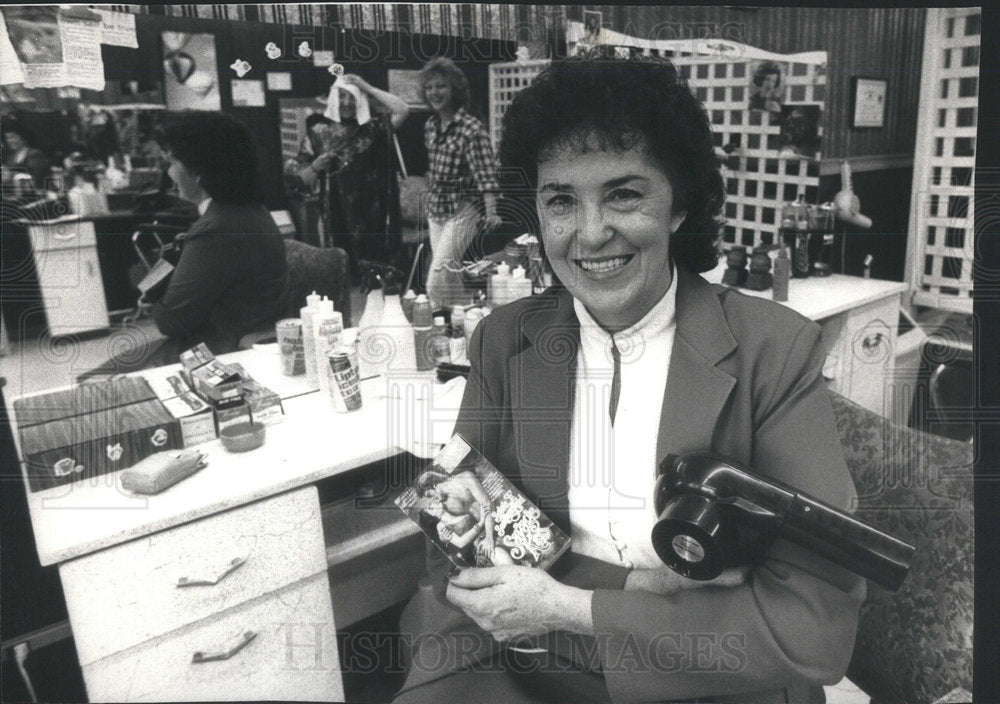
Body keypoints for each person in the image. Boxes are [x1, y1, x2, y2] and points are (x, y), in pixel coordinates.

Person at [394, 56, 864, 704]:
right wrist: (648, 588)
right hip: (532, 675)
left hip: (710, 686)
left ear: (678, 205)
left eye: (624, 194)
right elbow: (459, 546)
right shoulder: (504, 341)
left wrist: (570, 605)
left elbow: (811, 631)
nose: (590, 234)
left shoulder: (773, 353)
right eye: (561, 200)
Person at [147, 111, 289, 355]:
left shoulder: (215, 230)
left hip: (219, 351)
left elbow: (169, 321)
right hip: (238, 338)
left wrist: (151, 287)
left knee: (97, 383)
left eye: (172, 162)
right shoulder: (250, 211)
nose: (169, 173)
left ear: (199, 172)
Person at [300, 73, 409, 278]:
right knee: (342, 274)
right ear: (333, 98)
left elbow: (402, 109)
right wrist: (315, 166)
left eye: (352, 97)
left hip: (372, 217)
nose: (347, 103)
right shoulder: (318, 131)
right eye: (342, 96)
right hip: (336, 216)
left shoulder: (373, 128)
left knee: (374, 277)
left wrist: (366, 86)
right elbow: (301, 176)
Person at [420, 57, 502, 308]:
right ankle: (463, 324)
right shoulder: (431, 126)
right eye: (430, 87)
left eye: (441, 86)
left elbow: (486, 175)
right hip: (437, 211)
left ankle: (441, 322)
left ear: (454, 89)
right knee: (449, 278)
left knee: (435, 279)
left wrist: (491, 212)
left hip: (463, 211)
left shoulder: (471, 128)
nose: (434, 92)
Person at [1, 123, 51, 193]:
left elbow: (36, 177)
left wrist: (11, 175)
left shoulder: (34, 154)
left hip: (34, 194)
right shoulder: (11, 156)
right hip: (15, 192)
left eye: (13, 137)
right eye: (7, 138)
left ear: (23, 138)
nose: (9, 141)